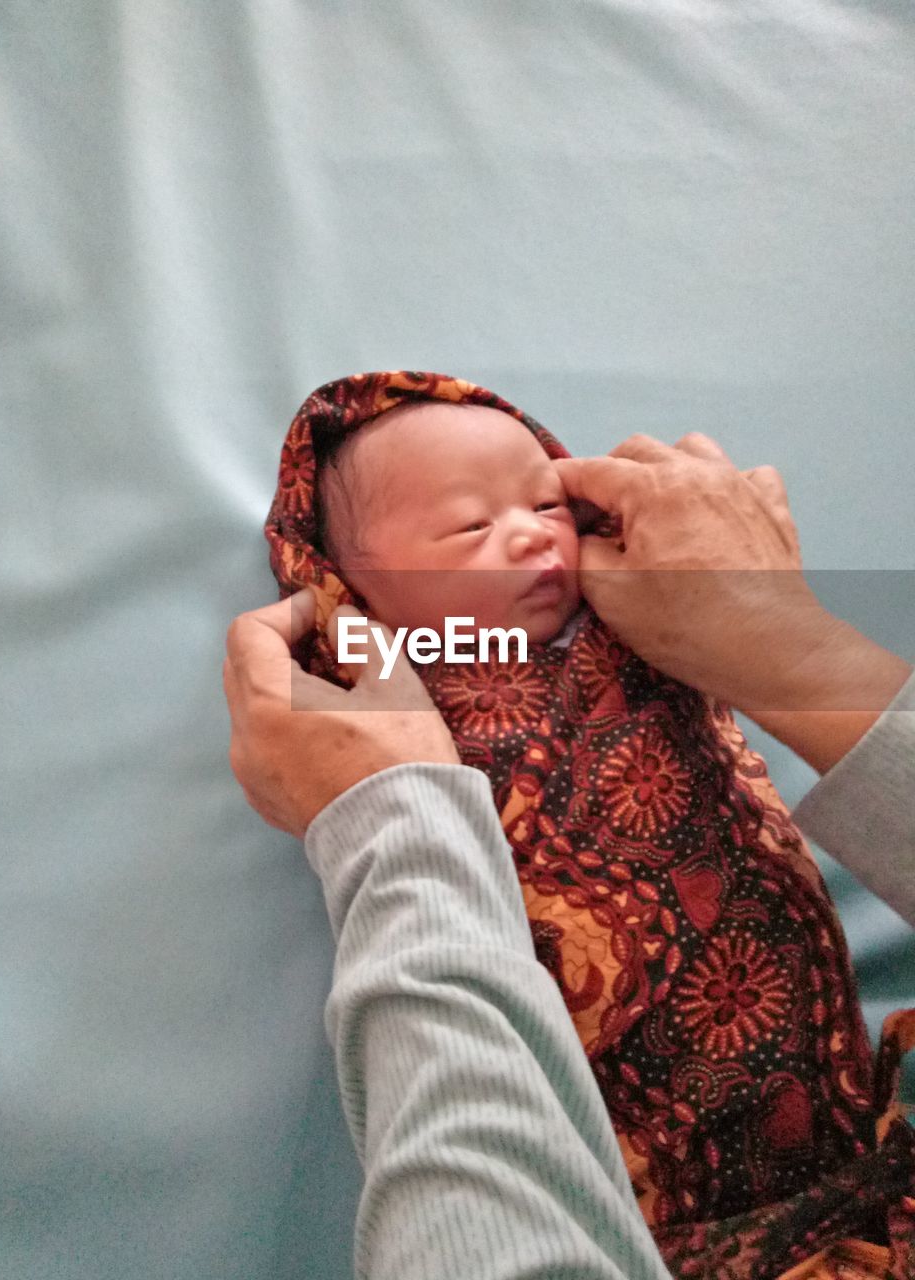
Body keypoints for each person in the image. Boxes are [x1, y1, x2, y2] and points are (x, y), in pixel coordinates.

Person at [224, 387, 915, 1280]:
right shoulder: (407, 699)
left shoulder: (647, 645)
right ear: (353, 590)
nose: (530, 535)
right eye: (468, 528)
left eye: (548, 504)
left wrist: (777, 642)